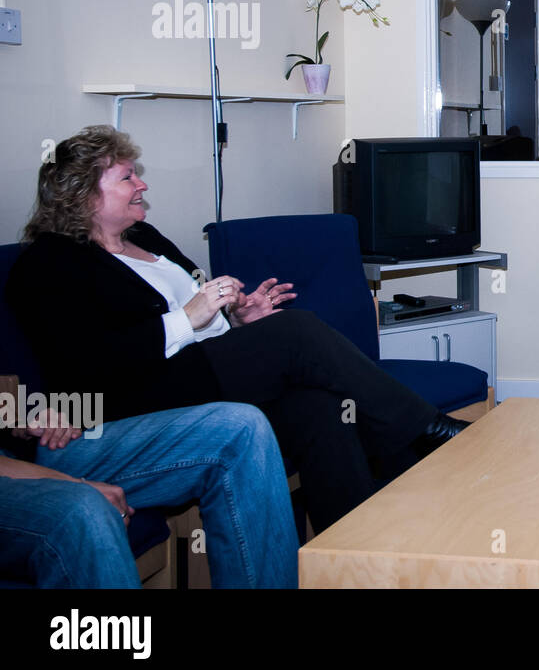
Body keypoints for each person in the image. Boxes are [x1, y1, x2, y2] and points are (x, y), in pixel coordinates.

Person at [6, 126, 470, 532]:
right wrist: (187, 318)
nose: (141, 183)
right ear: (84, 195)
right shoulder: (49, 263)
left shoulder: (144, 238)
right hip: (139, 399)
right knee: (295, 332)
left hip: (200, 371)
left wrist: (237, 318)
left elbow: (199, 314)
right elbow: (86, 365)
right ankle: (425, 429)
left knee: (321, 408)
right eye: (126, 177)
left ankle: (356, 554)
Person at [0, 402, 297, 588]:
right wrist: (72, 483)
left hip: (28, 449)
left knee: (241, 427)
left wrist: (18, 418)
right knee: (83, 510)